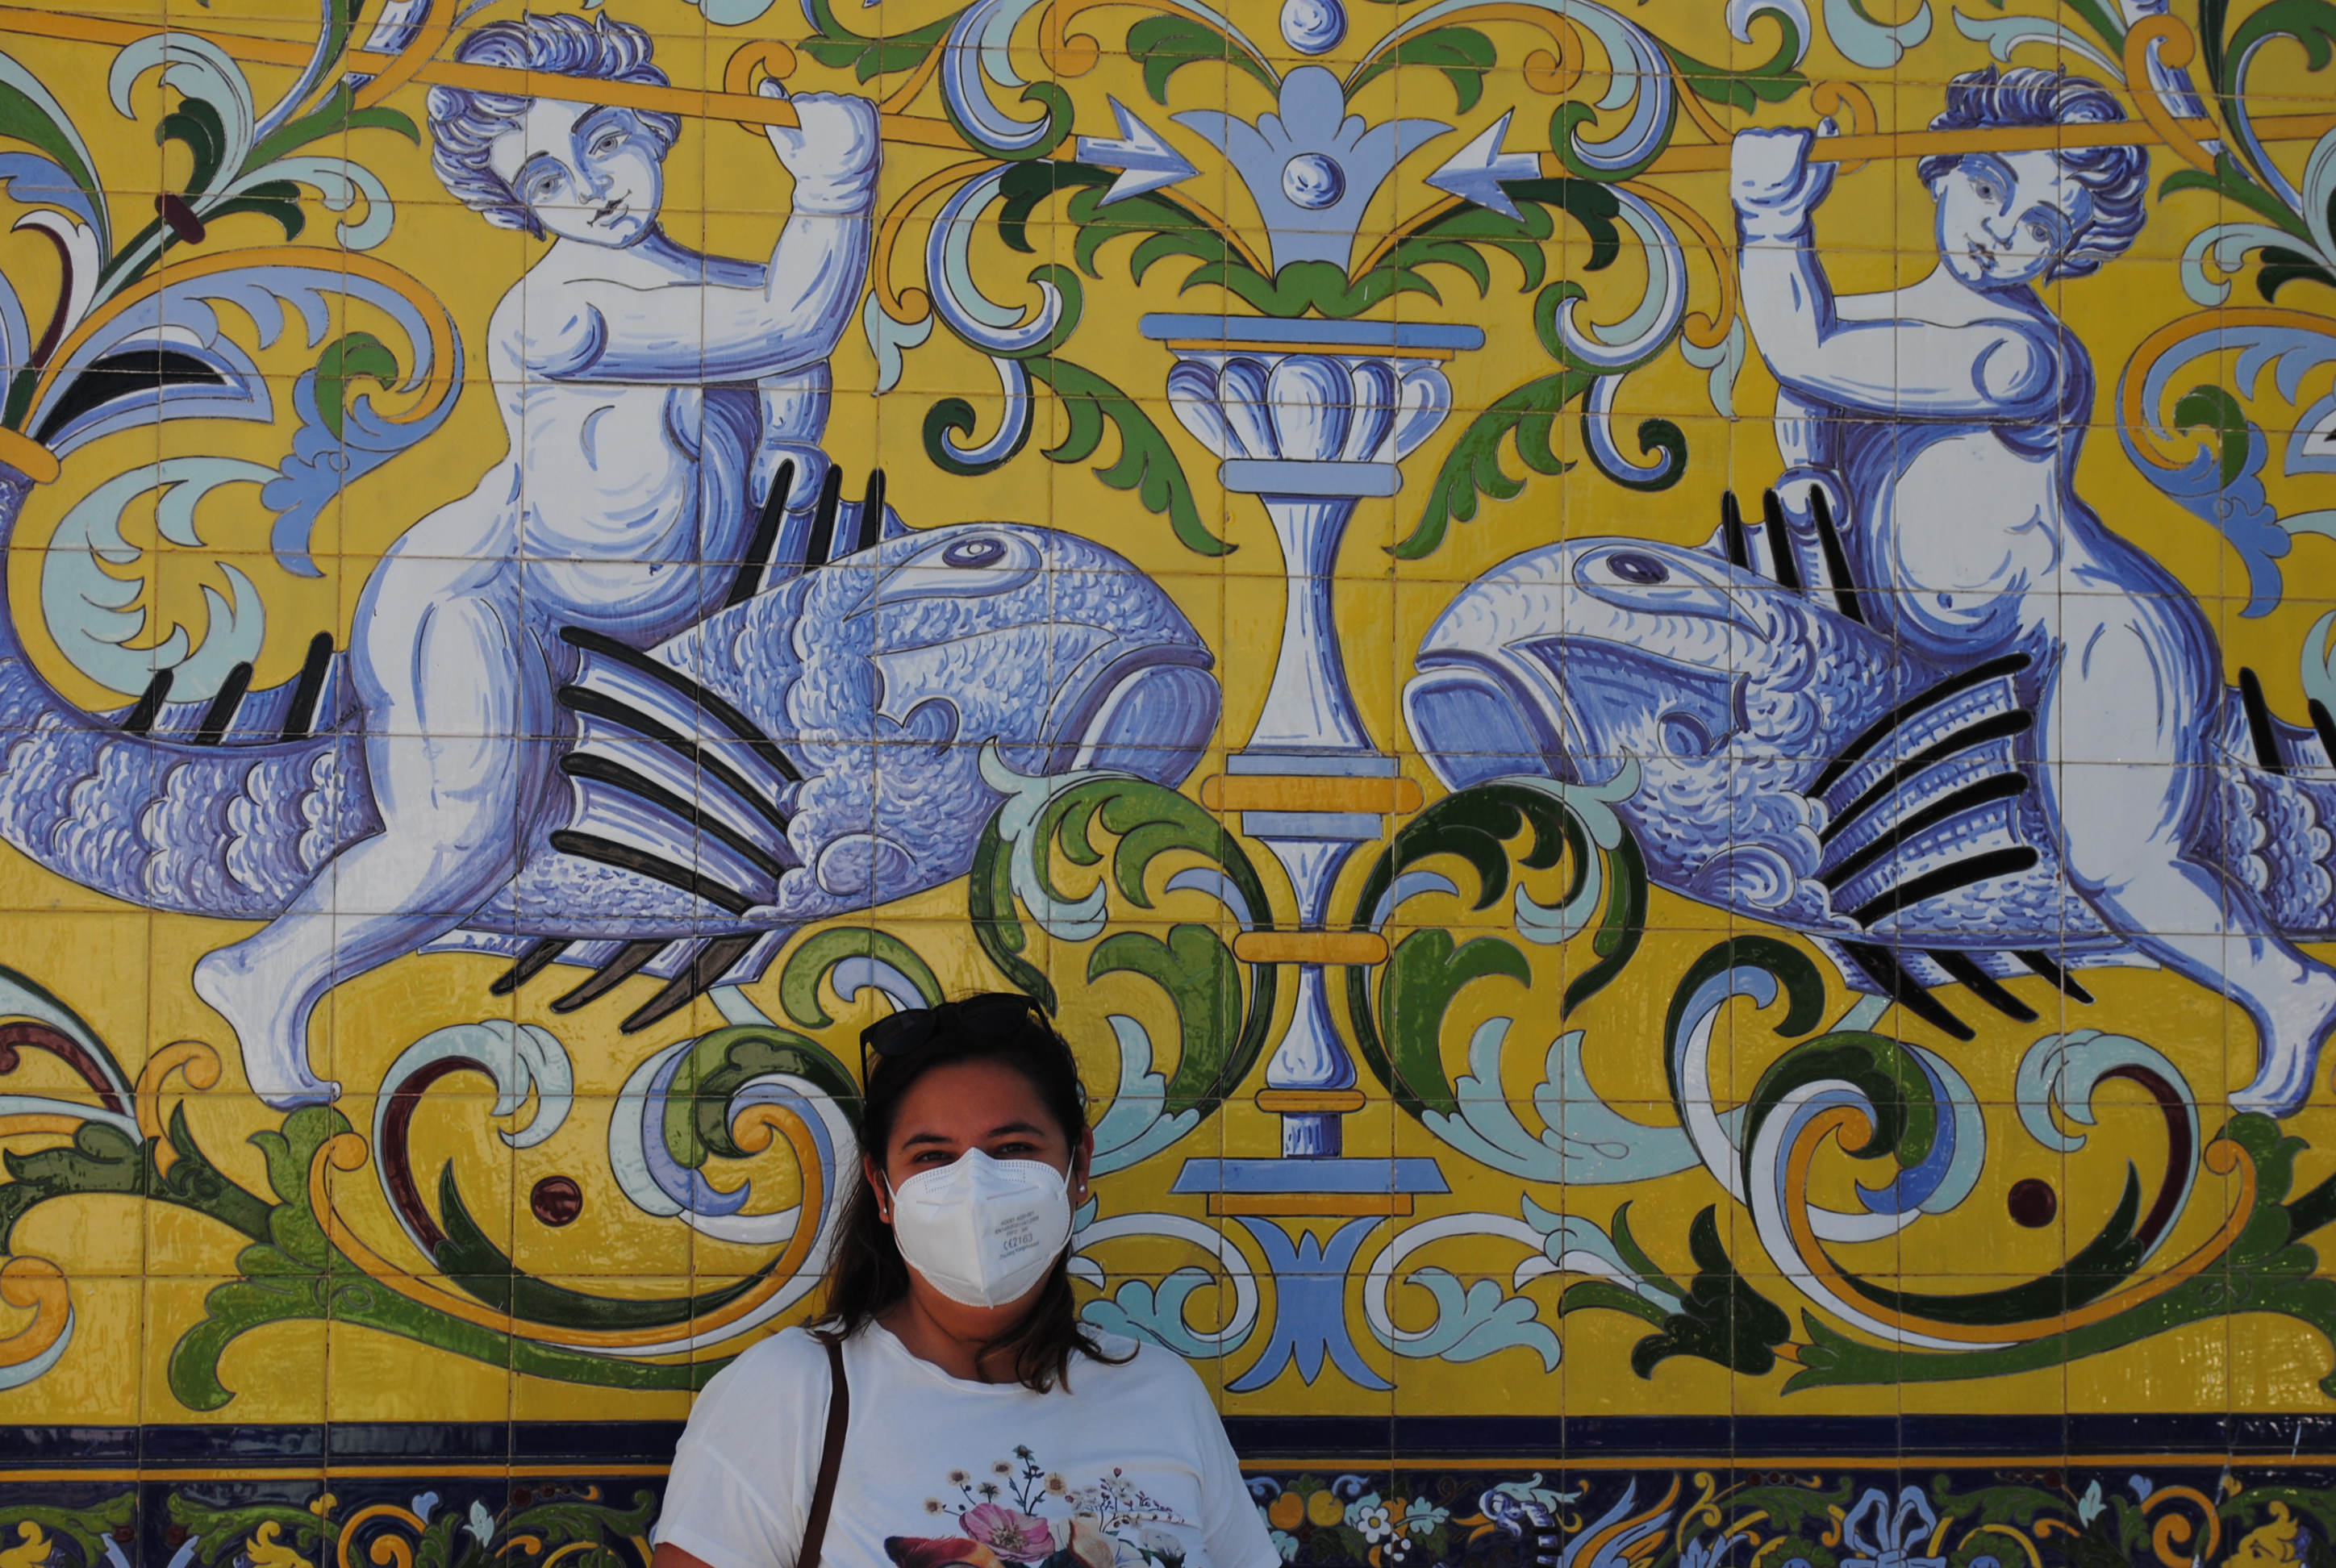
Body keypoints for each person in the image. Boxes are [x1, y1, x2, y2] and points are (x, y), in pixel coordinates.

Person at [191, 13, 880, 1106]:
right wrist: (836, 185)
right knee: (464, 836)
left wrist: (786, 443)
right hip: (485, 600)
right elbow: (793, 323)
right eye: (548, 180)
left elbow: (783, 357)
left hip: (594, 613)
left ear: (657, 126)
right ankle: (266, 971)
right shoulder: (561, 313)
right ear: (520, 209)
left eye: (603, 139)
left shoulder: (704, 287)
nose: (590, 189)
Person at [1731, 64, 2336, 1115]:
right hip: (1971, 651)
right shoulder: (1868, 332)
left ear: (2072, 250)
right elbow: (1812, 428)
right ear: (1938, 171)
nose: (2002, 231)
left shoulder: (2016, 356)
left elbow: (1801, 349)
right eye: (1988, 186)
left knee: (2119, 860)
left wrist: (1770, 214)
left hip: (2099, 640)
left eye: (2042, 224)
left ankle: (2287, 988)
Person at [653, 995, 1277, 1568]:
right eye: (932, 1157)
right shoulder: (787, 1396)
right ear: (883, 1190)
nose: (975, 1188)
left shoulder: (1164, 1395)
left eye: (1012, 1148)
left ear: (1079, 1164)